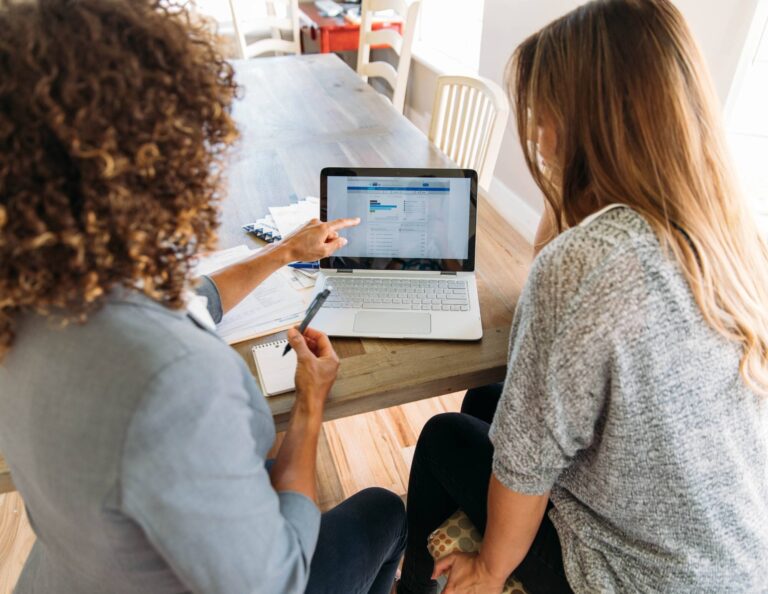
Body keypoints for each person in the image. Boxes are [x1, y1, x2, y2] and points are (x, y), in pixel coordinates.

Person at [0, 1, 406, 593]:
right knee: (384, 510)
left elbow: (189, 300)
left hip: (74, 569)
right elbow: (278, 581)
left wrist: (282, 253)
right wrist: (310, 407)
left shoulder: (34, 291)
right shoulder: (174, 379)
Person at [397, 1, 768, 593]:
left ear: (584, 120)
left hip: (636, 578)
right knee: (484, 399)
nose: (537, 136)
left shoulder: (586, 264)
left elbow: (523, 465)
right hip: (734, 561)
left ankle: (418, 584)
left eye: (544, 114)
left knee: (444, 436)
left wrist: (492, 568)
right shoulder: (725, 230)